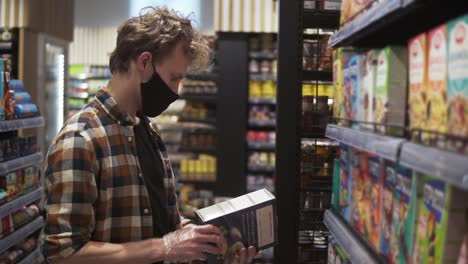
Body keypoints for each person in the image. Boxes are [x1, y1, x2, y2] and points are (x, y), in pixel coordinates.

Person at [43, 6, 257, 264]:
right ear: (144, 63)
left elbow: (163, 225)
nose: (177, 91)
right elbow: (64, 254)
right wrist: (163, 247)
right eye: (174, 77)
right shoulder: (81, 139)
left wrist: (206, 242)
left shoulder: (149, 131)